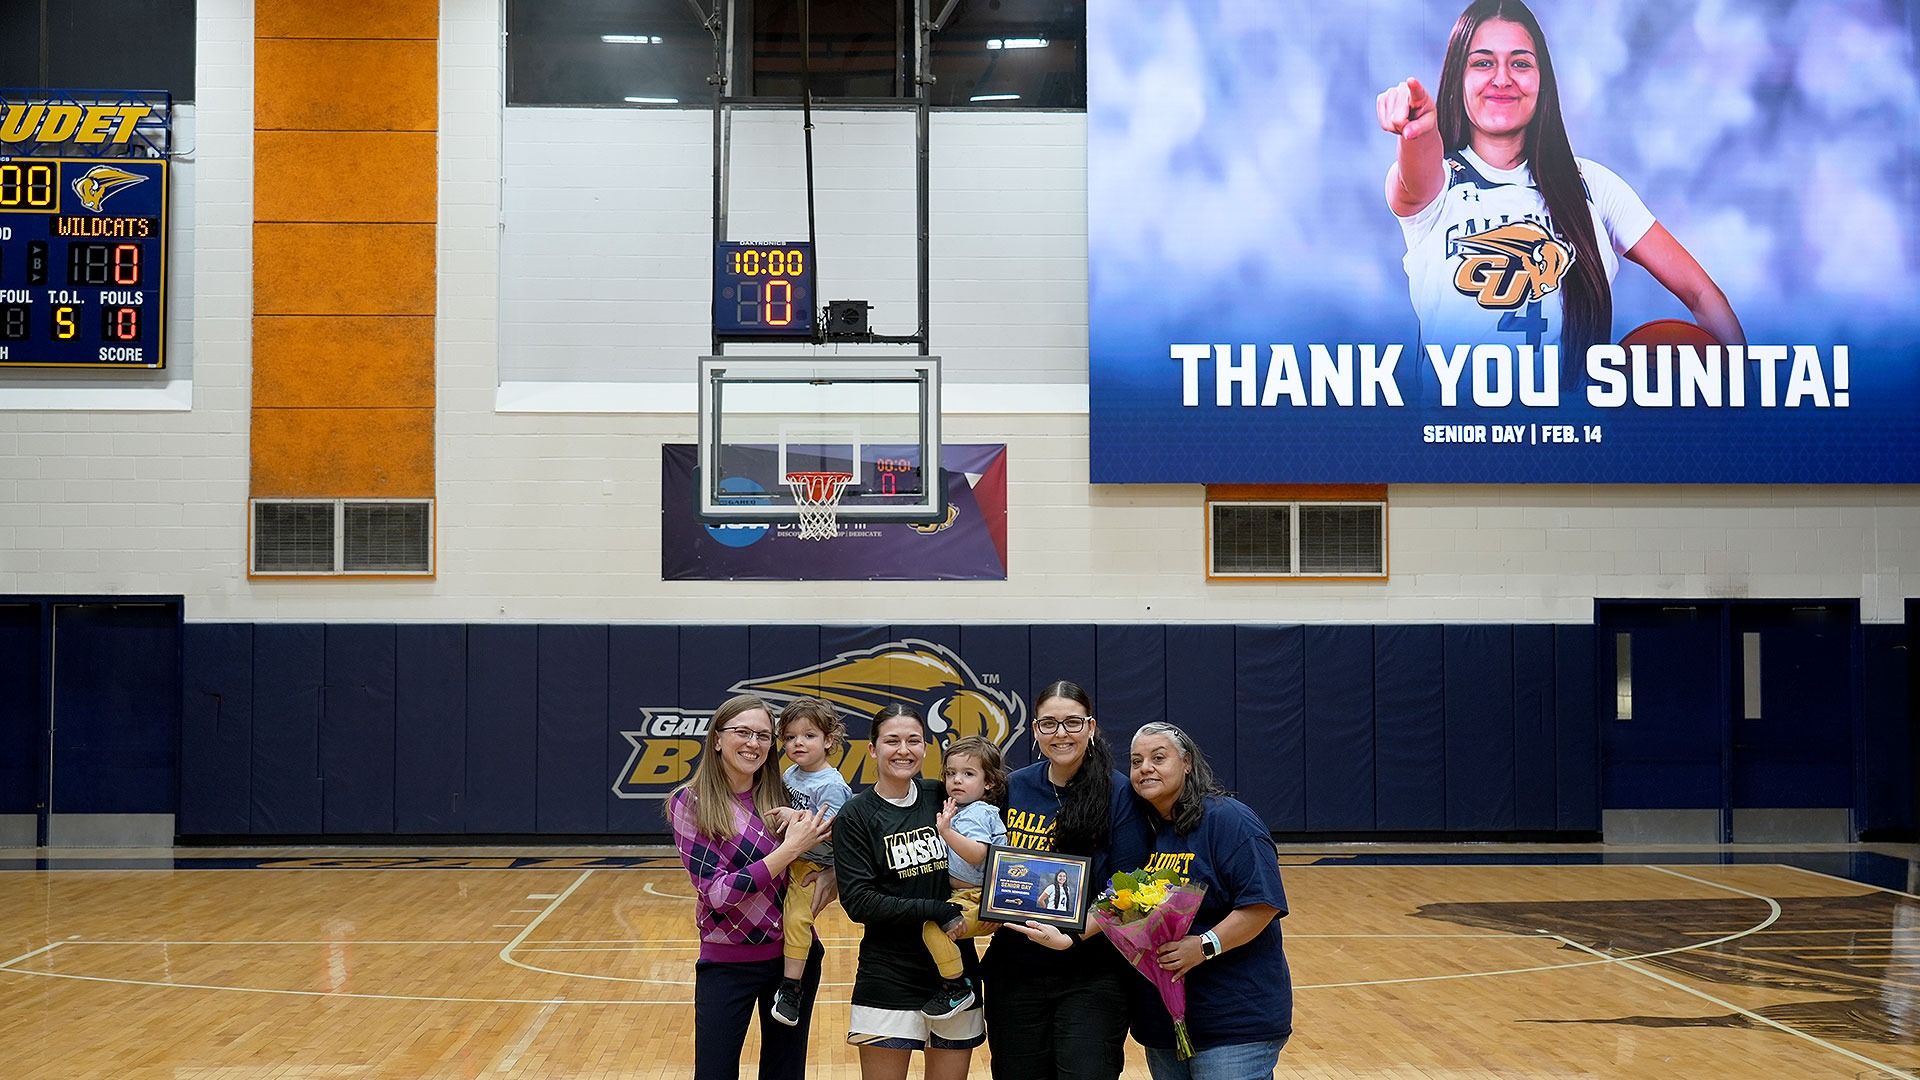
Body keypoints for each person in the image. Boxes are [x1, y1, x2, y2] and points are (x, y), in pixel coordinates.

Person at [1376, 0, 1743, 367]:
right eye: (1483, 62)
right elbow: (1417, 169)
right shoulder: (1437, 190)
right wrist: (1417, 131)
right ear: (1459, 77)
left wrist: (1749, 400)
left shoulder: (1593, 187)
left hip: (1571, 426)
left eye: (1520, 63)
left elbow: (1701, 295)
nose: (1502, 78)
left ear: (1542, 81)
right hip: (1461, 427)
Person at [986, 680, 1152, 1080]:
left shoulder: (1119, 793)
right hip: (1015, 969)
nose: (1061, 733)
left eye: (1072, 723)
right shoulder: (1015, 786)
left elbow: (1128, 887)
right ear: (1035, 731)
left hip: (1091, 972)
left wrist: (1073, 938)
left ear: (1091, 727)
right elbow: (985, 858)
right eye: (1049, 724)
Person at [667, 693, 835, 1080]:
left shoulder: (784, 794)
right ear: (717, 739)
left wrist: (833, 875)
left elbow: (834, 846)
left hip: (793, 962)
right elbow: (717, 894)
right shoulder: (690, 802)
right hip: (727, 965)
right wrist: (788, 849)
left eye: (763, 735)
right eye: (743, 732)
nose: (753, 743)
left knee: (784, 1073)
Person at [1127, 722, 1292, 1080]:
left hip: (1233, 1024)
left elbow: (1261, 906)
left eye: (1158, 757)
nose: (1145, 768)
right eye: (1136, 761)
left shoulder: (1228, 820)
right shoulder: (1143, 830)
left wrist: (1203, 946)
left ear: (1187, 763)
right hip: (1166, 1026)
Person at [834, 703, 985, 1080]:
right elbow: (859, 902)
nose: (904, 749)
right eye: (892, 740)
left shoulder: (944, 797)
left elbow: (992, 840)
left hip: (956, 976)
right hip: (888, 973)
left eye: (913, 740)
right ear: (872, 749)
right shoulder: (856, 815)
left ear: (925, 747)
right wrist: (936, 908)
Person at [766, 697, 852, 1027]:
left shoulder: (831, 785)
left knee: (798, 919)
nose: (797, 743)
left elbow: (830, 831)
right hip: (793, 855)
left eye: (808, 736)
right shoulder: (790, 773)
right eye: (789, 737)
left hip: (814, 864)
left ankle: (791, 989)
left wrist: (794, 816)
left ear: (829, 740)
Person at [922, 733, 1009, 1019]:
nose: (956, 780)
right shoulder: (963, 809)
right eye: (951, 773)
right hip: (964, 895)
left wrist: (946, 832)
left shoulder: (979, 812)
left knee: (934, 929)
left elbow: (976, 854)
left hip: (979, 898)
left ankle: (956, 985)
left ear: (989, 783)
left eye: (968, 774)